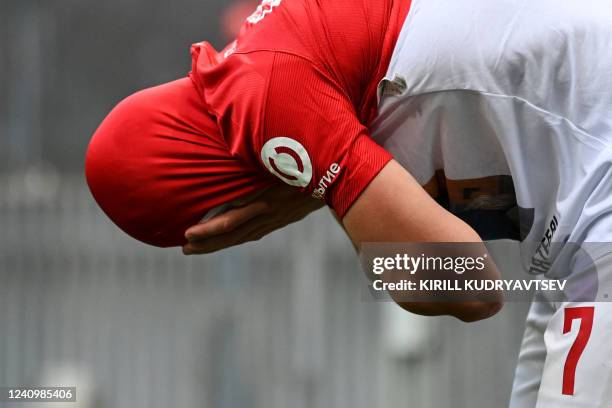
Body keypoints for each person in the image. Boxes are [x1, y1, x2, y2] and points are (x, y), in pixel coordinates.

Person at [184, 1, 612, 407]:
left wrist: (338, 186)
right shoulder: (330, 64)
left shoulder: (292, 81)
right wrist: (327, 183)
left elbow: (472, 289)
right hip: (573, 233)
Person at [85, 0, 502, 323]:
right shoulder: (263, 55)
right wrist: (315, 188)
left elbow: (472, 287)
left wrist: (327, 190)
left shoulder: (260, 99)